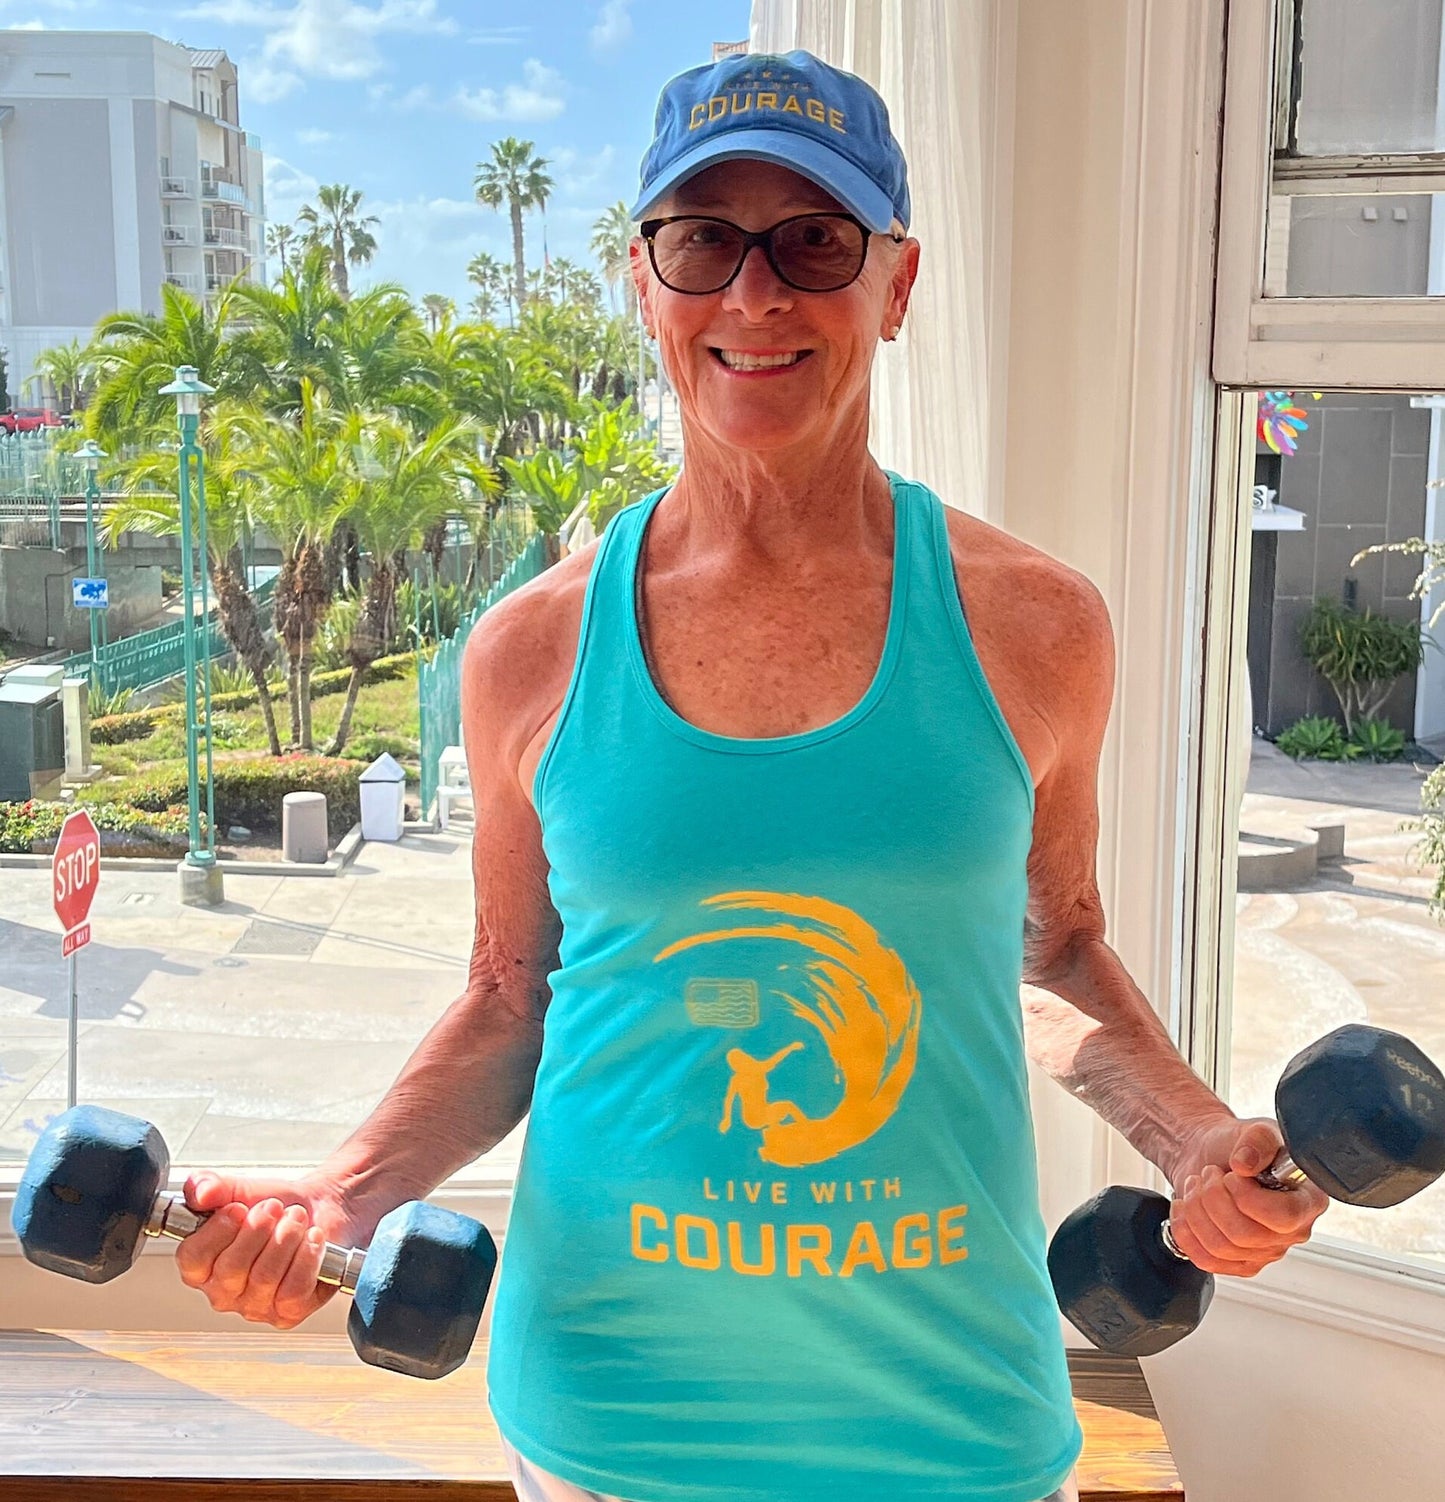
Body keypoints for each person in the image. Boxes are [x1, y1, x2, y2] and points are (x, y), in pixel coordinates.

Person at [175, 49, 1329, 1502]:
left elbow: (1049, 950)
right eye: (703, 240)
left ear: (896, 284)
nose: (755, 293)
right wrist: (344, 1191)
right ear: (643, 282)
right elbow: (509, 995)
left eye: (814, 242)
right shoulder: (530, 649)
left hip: (951, 1422)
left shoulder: (1036, 625)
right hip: (609, 1425)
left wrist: (1194, 1138)